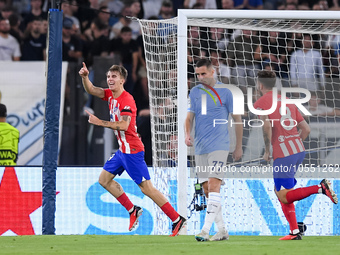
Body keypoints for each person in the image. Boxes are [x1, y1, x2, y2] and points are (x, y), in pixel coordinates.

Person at [79, 62, 186, 236]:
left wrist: (100, 122)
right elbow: (91, 89)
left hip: (133, 151)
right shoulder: (110, 95)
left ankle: (176, 219)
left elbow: (123, 125)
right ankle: (132, 210)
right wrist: (84, 77)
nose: (110, 79)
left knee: (147, 189)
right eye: (108, 76)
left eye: (114, 76)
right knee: (104, 180)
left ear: (122, 80)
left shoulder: (126, 99)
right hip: (122, 151)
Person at [253, 70, 338, 240]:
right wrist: (293, 144)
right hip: (298, 151)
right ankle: (294, 232)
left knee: (284, 195)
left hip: (283, 155)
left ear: (260, 85)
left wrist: (268, 151)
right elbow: (306, 129)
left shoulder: (261, 103)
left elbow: (267, 127)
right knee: (281, 191)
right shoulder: (289, 101)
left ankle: (320, 188)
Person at [185, 59, 243, 241]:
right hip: (200, 147)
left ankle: (205, 230)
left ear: (212, 72)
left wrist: (239, 145)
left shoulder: (227, 91)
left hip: (220, 145)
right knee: (207, 190)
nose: (201, 77)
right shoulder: (194, 92)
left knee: (214, 185)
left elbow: (238, 119)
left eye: (203, 73)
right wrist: (187, 134)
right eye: (198, 75)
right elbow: (189, 117)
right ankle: (222, 230)